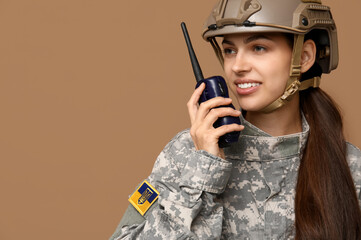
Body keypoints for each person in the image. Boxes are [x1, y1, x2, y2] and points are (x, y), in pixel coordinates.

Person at [110, 0, 361, 239]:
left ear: (304, 57)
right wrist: (204, 173)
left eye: (258, 48)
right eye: (230, 50)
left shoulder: (350, 167)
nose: (237, 66)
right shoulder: (186, 155)